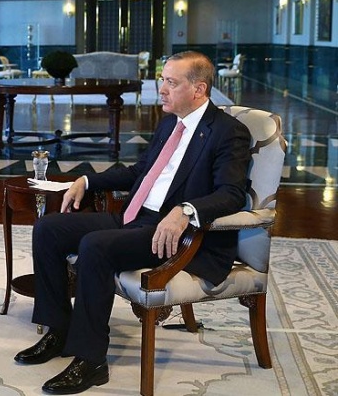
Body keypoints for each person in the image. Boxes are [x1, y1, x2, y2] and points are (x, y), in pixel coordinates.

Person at [13, 51, 251, 394]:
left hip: (176, 235)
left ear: (199, 89)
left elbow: (232, 193)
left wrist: (185, 210)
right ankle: (59, 331)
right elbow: (141, 172)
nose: (161, 89)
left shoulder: (227, 132)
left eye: (171, 82)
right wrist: (87, 181)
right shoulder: (170, 122)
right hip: (136, 218)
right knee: (48, 229)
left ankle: (91, 360)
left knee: (95, 245)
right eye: (162, 80)